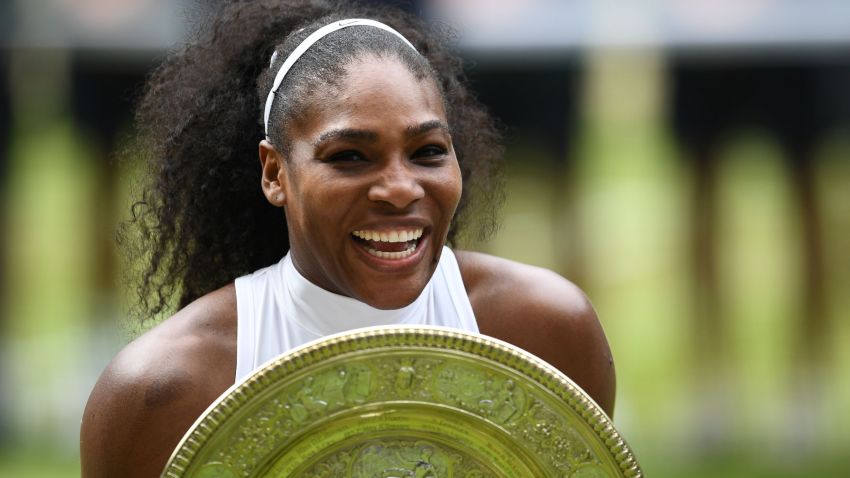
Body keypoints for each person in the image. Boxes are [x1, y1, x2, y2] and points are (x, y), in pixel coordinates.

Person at [80, 1, 615, 476]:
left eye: (428, 151)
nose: (400, 189)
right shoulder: (165, 391)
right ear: (275, 173)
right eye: (349, 157)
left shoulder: (543, 336)